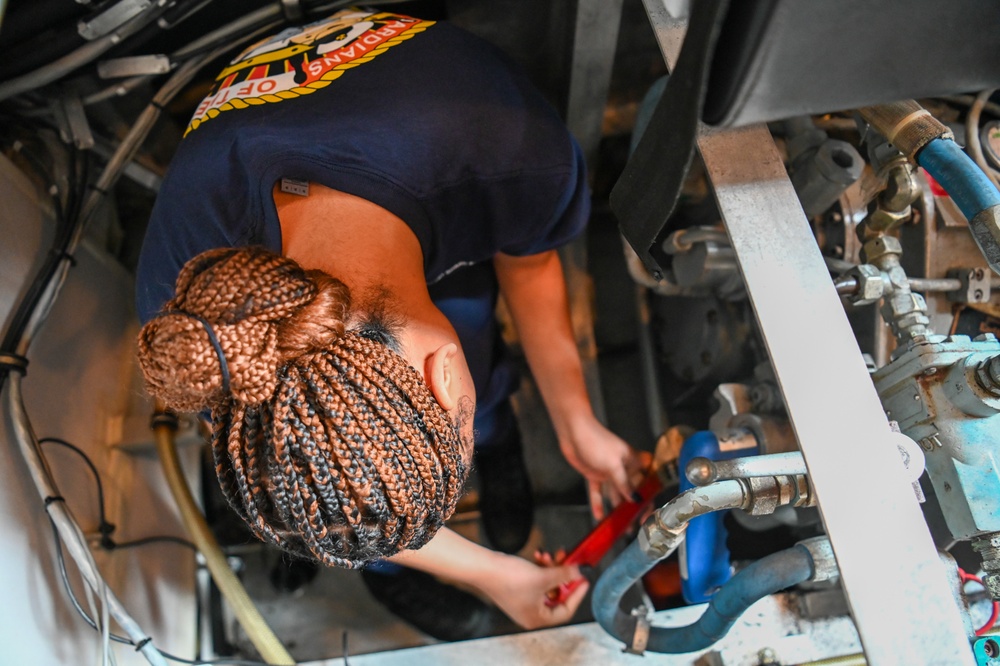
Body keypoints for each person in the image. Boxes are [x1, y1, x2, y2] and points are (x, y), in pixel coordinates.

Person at [135, 8, 646, 637]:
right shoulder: (210, 326)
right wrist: (494, 573)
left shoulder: (507, 150)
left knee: (470, 330)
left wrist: (575, 419)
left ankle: (490, 431)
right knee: (329, 479)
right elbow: (324, 490)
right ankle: (393, 558)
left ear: (445, 373)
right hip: (391, 204)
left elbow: (530, 265)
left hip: (419, 135)